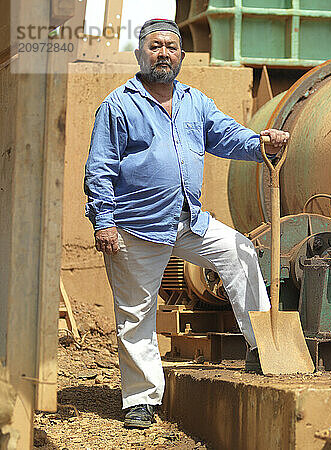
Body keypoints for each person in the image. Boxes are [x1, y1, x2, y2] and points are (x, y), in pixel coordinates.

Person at [84, 18, 288, 429]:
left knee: (239, 253)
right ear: (140, 53)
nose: (164, 54)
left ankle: (261, 347)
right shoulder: (118, 105)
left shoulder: (196, 101)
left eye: (172, 47)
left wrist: (259, 143)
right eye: (155, 46)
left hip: (187, 219)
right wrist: (102, 221)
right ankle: (141, 400)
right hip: (134, 225)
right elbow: (99, 169)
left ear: (181, 56)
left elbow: (227, 136)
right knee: (136, 313)